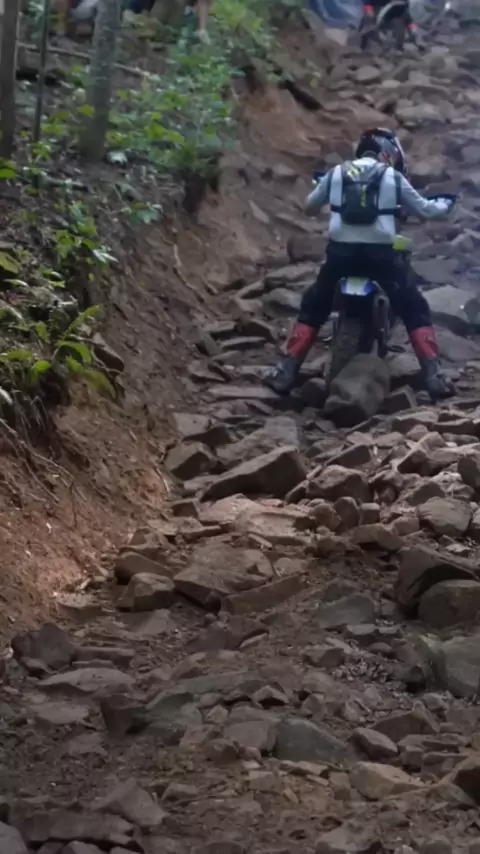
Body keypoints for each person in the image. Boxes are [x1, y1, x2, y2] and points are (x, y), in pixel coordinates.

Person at [264, 128, 455, 400]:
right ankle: (434, 375)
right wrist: (445, 204)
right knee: (414, 307)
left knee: (314, 304)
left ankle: (286, 370)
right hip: (382, 258)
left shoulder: (337, 173)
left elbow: (309, 207)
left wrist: (330, 195)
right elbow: (426, 210)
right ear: (388, 155)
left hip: (341, 256)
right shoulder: (392, 177)